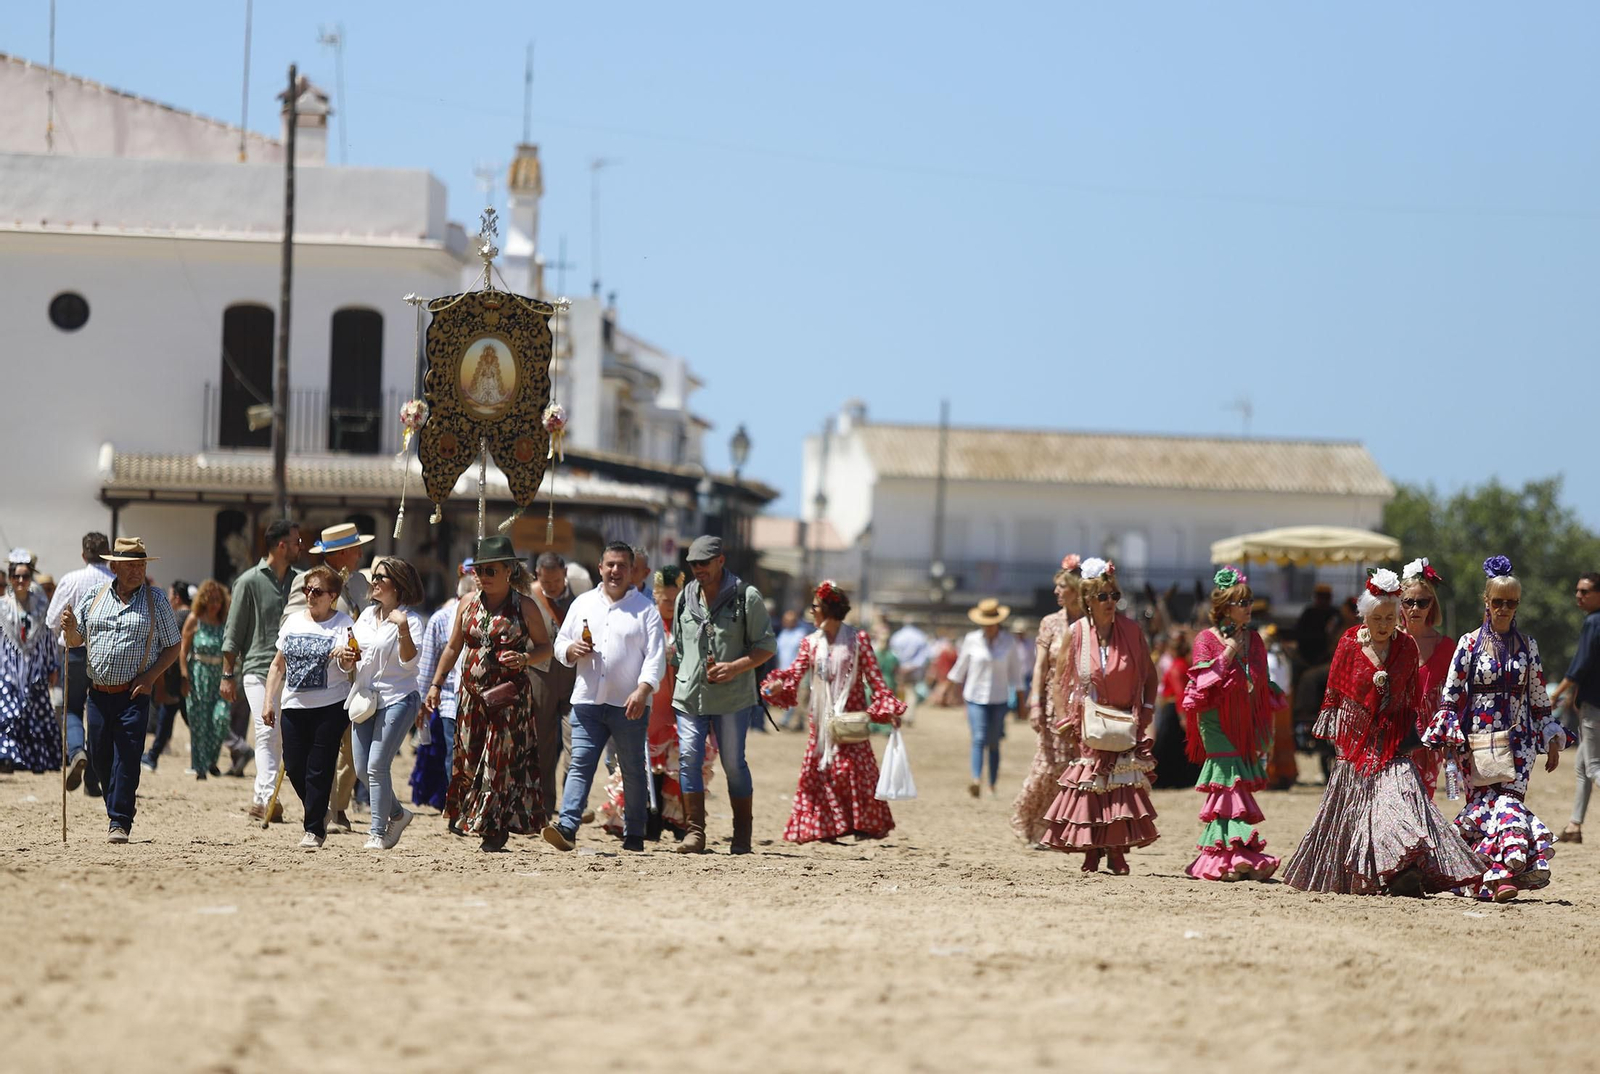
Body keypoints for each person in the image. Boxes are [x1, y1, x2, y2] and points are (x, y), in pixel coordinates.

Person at [1282, 569, 1484, 897]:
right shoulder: (1349, 643)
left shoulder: (1404, 647)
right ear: (1365, 616)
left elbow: (1410, 697)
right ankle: (1385, 874)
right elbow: (1338, 693)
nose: (1384, 624)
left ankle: (1404, 868)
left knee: (1401, 799)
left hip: (1392, 741)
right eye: (1377, 617)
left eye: (1390, 617)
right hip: (1355, 745)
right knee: (1361, 812)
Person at [1422, 556, 1569, 901]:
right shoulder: (1468, 644)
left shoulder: (1528, 646)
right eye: (1498, 601)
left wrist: (1549, 739)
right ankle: (1483, 876)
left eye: (1511, 602)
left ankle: (1503, 875)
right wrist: (1448, 737)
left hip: (1519, 742)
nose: (1504, 608)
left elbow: (1538, 695)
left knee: (1508, 802)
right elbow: (1450, 694)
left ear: (1517, 605)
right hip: (1476, 741)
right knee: (1485, 807)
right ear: (1486, 601)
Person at [427, 537, 554, 851]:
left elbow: (546, 648)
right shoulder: (467, 602)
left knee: (498, 763)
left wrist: (525, 658)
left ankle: (493, 829)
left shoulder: (524, 605)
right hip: (471, 696)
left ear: (508, 571)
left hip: (508, 699)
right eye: (479, 569)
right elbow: (454, 646)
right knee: (471, 759)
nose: (483, 575)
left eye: (490, 570)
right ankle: (477, 817)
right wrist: (436, 683)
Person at [542, 543, 666, 853]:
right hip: (586, 702)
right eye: (610, 564)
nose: (615, 571)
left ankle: (635, 832)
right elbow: (561, 643)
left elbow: (656, 658)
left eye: (622, 565)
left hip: (630, 706)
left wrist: (643, 690)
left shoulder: (646, 610)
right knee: (581, 764)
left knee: (633, 768)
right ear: (600, 568)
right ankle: (568, 826)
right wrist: (570, 651)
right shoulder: (583, 604)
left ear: (631, 570)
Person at [57, 538, 182, 842]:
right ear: (114, 566)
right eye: (130, 565)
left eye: (141, 565)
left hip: (134, 694)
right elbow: (75, 641)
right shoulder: (94, 597)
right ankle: (118, 805)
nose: (137, 571)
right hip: (98, 693)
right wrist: (71, 626)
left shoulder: (155, 600)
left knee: (127, 757)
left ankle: (119, 820)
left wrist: (151, 677)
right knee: (100, 758)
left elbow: (173, 645)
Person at [759, 581, 903, 844]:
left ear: (828, 609)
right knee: (823, 771)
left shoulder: (858, 640)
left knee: (856, 770)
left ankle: (862, 825)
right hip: (821, 720)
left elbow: (874, 678)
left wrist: (888, 706)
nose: (811, 612)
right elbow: (794, 673)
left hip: (852, 719)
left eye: (815, 606)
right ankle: (826, 827)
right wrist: (777, 685)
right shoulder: (810, 643)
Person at [1040, 559, 1159, 873]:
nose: (1111, 603)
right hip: (1089, 722)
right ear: (1088, 600)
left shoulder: (1132, 631)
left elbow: (1150, 676)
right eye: (1104, 597)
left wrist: (1146, 711)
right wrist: (1064, 718)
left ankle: (1117, 852)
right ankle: (1091, 851)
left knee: (1120, 785)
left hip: (1123, 720)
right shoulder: (1075, 632)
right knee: (1091, 785)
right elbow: (1059, 679)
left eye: (1115, 596)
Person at [671, 535, 776, 855]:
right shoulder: (684, 598)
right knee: (688, 758)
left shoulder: (748, 597)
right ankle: (695, 833)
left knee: (733, 763)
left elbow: (766, 647)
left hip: (732, 696)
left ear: (721, 560)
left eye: (704, 563)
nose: (698, 569)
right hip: (690, 693)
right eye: (693, 564)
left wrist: (734, 667)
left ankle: (741, 834)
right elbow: (679, 648)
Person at [1180, 566, 1281, 882]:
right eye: (1241, 601)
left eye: (1249, 600)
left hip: (1243, 724)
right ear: (1224, 606)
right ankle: (1230, 856)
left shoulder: (1256, 640)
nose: (1248, 606)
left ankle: (1229, 856)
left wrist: (1263, 733)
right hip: (1215, 723)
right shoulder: (1205, 639)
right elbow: (1201, 685)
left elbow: (1262, 688)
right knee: (1228, 785)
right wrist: (1228, 653)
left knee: (1233, 788)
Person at [283, 523, 374, 832]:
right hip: (321, 680)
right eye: (356, 548)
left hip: (358, 675)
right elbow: (295, 622)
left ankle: (339, 804)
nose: (361, 553)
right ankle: (327, 811)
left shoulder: (361, 582)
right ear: (340, 553)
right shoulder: (307, 582)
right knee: (323, 749)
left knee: (353, 749)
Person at [260, 564, 355, 849]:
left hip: (331, 705)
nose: (310, 596)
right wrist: (269, 701)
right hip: (293, 704)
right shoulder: (293, 622)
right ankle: (319, 810)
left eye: (317, 591)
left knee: (319, 767)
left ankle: (313, 829)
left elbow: (350, 661)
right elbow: (278, 665)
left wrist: (344, 656)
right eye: (307, 590)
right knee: (295, 766)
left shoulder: (343, 623)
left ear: (332, 596)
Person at [221, 519, 301, 822]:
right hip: (256, 668)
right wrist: (228, 675)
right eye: (295, 542)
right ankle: (268, 799)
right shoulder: (248, 582)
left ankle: (259, 797)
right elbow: (233, 633)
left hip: (293, 670)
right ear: (281, 546)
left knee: (280, 735)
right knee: (267, 730)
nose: (300, 547)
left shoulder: (301, 582)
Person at [349, 557, 426, 851]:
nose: (376, 581)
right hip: (366, 699)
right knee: (361, 769)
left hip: (399, 698)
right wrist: (346, 658)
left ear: (399, 584)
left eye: (382, 577)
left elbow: (410, 663)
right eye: (375, 576)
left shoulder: (411, 620)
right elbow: (355, 652)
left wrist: (403, 628)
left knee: (377, 764)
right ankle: (397, 813)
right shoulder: (367, 617)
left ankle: (377, 831)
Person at [1010, 556, 1084, 843]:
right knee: (1047, 765)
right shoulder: (1050, 623)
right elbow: (1040, 666)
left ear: (1076, 590)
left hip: (1082, 705)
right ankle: (1024, 814)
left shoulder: (1091, 623)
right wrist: (1035, 703)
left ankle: (1049, 828)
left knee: (1070, 768)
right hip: (1053, 705)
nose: (1056, 592)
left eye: (1061, 587)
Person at [45, 531, 114, 796]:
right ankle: (92, 781)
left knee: (72, 709)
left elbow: (52, 622)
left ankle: (76, 751)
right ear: (107, 556)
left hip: (73, 653)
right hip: (105, 656)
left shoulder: (71, 580)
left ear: (83, 555)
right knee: (101, 714)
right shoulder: (115, 582)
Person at [412, 562, 475, 811]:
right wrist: (424, 697)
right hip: (450, 697)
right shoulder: (441, 619)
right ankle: (458, 807)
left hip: (481, 697)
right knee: (453, 754)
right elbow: (429, 661)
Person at [949, 598, 1026, 798]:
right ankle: (976, 779)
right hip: (975, 697)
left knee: (994, 742)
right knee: (979, 738)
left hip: (999, 699)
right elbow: (960, 668)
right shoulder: (971, 640)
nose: (988, 627)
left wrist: (1021, 703)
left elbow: (1016, 673)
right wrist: (950, 690)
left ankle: (992, 783)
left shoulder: (1008, 642)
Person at [0, 550, 60, 774]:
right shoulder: (2, 607)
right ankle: (6, 757)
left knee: (34, 714)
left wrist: (53, 666)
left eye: (25, 576)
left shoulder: (40, 606)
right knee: (7, 713)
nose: (21, 581)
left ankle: (29, 759)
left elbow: (48, 639)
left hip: (35, 669)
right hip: (6, 669)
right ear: (10, 577)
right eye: (16, 576)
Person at [1551, 571, 1600, 842]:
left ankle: (1574, 825)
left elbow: (1579, 667)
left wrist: (1555, 694)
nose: (1578, 596)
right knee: (1582, 766)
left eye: (1585, 591)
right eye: (1577, 590)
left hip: (1595, 705)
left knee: (1593, 767)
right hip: (1593, 704)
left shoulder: (1593, 622)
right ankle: (1574, 826)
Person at [1399, 557, 1453, 798]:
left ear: (1432, 605)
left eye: (1422, 602)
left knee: (1424, 794)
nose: (1415, 609)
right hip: (1397, 729)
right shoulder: (1390, 642)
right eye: (1408, 602)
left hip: (1431, 737)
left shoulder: (1447, 647)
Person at [532, 550, 578, 818]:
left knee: (576, 746)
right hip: (540, 679)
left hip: (574, 681)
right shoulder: (529, 598)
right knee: (543, 748)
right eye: (546, 582)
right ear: (538, 575)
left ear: (565, 575)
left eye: (556, 582)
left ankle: (570, 805)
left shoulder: (581, 599)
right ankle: (545, 805)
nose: (551, 587)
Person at [178, 581, 231, 780]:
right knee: (199, 723)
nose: (215, 604)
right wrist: (184, 677)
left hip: (218, 677)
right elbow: (183, 651)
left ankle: (211, 760)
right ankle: (200, 767)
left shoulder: (224, 623)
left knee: (221, 719)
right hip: (198, 676)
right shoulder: (195, 620)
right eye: (211, 600)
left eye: (218, 600)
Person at [141, 580, 191, 772]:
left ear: (177, 597)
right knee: (173, 717)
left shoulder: (179, 617)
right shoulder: (193, 616)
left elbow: (171, 647)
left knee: (181, 717)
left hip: (176, 677)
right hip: (183, 677)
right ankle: (153, 756)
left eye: (171, 596)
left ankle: (232, 747)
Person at [1151, 626, 1201, 789]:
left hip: (1174, 711)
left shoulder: (1178, 666)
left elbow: (1181, 694)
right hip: (1174, 710)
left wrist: (1183, 717)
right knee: (1171, 748)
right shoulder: (1179, 666)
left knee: (1171, 748)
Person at [888, 617, 931, 725]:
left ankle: (897, 713)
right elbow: (925, 655)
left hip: (899, 669)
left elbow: (893, 653)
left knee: (897, 690)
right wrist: (914, 666)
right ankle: (909, 716)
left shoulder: (897, 635)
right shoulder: (920, 636)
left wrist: (900, 666)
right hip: (914, 670)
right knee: (911, 692)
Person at [773, 610, 810, 731]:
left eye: (790, 620)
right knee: (788, 696)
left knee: (798, 697)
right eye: (786, 620)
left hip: (798, 672)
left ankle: (791, 721)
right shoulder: (782, 634)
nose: (787, 622)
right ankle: (791, 720)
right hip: (783, 671)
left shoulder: (800, 634)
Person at [1293, 583, 1339, 668]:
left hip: (1326, 657)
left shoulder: (1335, 614)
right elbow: (1299, 632)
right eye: (1321, 597)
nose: (1322, 600)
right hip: (1306, 654)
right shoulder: (1309, 612)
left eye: (1325, 597)